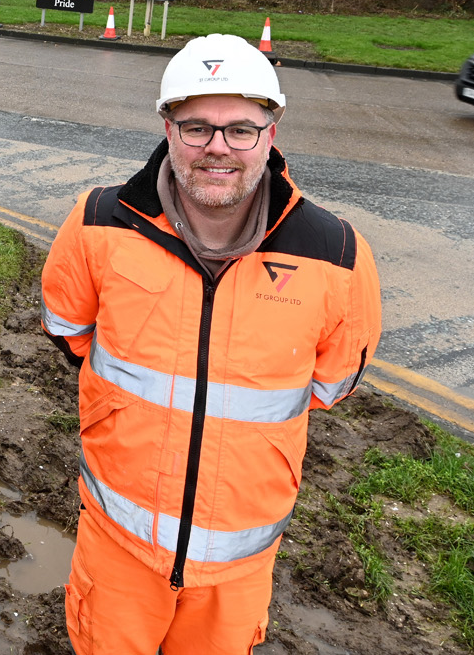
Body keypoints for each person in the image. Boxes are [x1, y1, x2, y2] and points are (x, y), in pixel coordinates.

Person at [41, 33, 382, 655]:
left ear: (270, 134)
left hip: (237, 570)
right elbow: (69, 330)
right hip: (119, 549)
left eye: (241, 129)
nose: (217, 147)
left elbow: (329, 385)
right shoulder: (98, 223)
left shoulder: (337, 255)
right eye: (196, 127)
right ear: (167, 129)